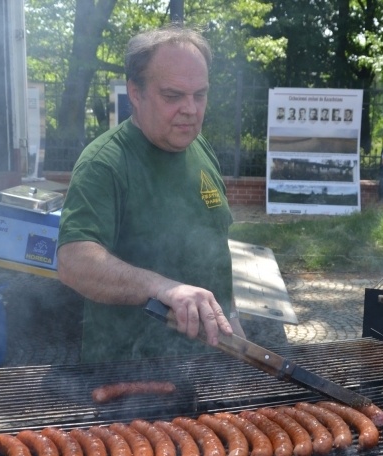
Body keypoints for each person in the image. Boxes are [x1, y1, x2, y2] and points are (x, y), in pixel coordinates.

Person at [56, 25, 243, 363]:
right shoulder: (105, 163)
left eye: (199, 95)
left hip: (209, 363)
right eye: (173, 96)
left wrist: (233, 325)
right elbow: (73, 261)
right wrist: (164, 288)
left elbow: (215, 255)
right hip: (129, 372)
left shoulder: (200, 148)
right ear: (136, 93)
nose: (190, 109)